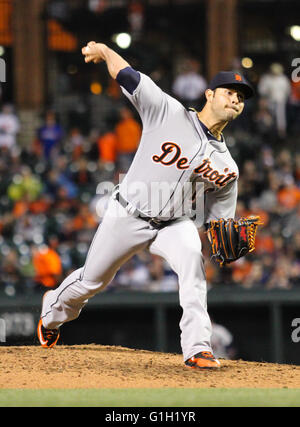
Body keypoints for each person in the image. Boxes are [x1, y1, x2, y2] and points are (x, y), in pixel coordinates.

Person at [37, 41, 254, 370]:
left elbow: (219, 222)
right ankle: (52, 310)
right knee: (91, 282)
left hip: (175, 223)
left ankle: (198, 348)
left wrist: (224, 238)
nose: (235, 99)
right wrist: (104, 51)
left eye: (240, 97)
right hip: (128, 213)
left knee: (193, 265)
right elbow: (128, 75)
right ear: (209, 94)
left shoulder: (228, 168)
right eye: (229, 92)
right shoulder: (167, 111)